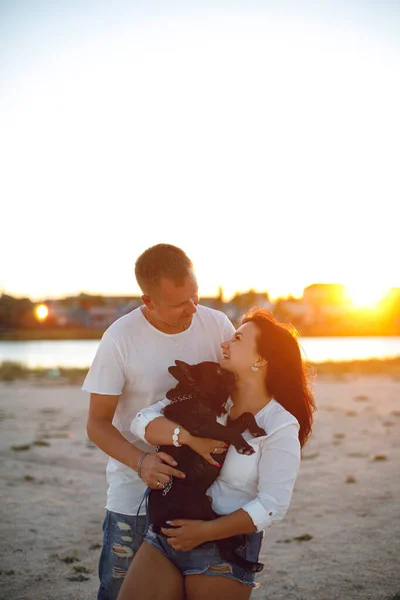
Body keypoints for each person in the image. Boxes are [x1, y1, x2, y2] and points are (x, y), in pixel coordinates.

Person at [117, 308, 316, 600]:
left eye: (237, 339)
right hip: (165, 534)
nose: (225, 343)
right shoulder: (208, 394)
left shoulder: (280, 425)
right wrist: (186, 438)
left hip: (225, 546)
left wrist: (205, 532)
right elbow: (141, 421)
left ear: (260, 359)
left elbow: (273, 505)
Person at [82, 243, 235, 600]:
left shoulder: (217, 325)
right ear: (147, 301)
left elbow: (244, 390)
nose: (193, 308)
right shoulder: (119, 339)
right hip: (134, 494)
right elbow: (97, 423)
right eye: (179, 303)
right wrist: (141, 462)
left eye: (195, 295)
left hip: (206, 490)